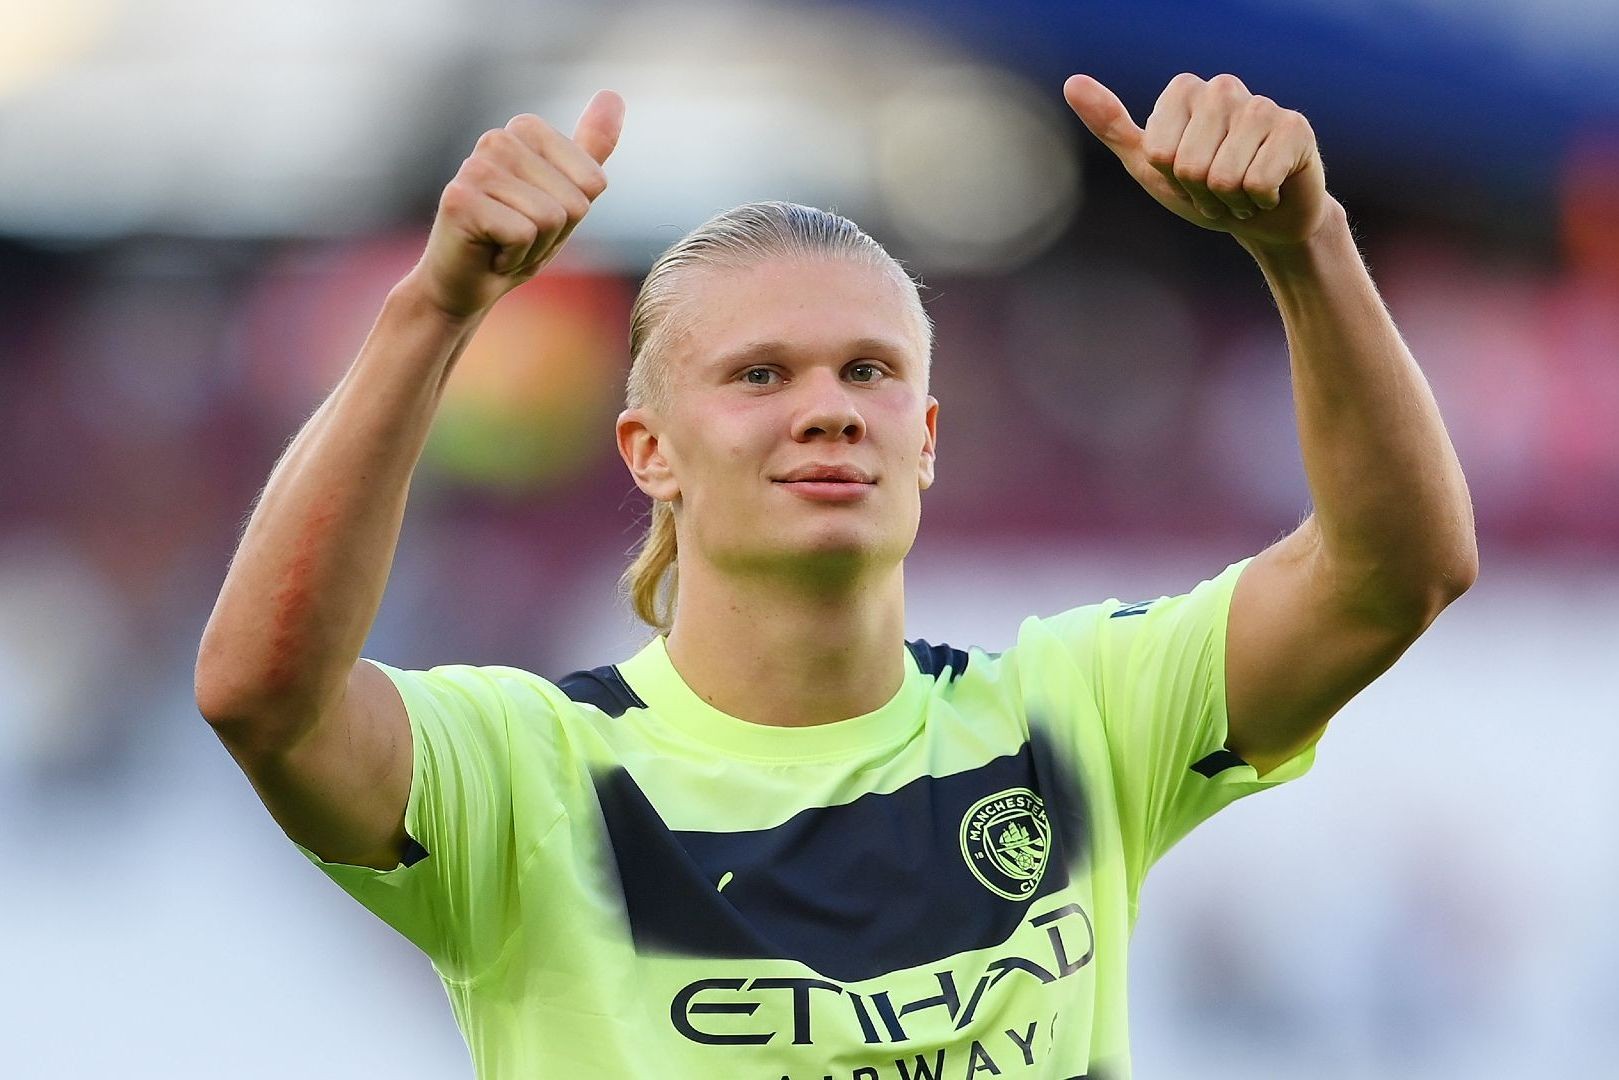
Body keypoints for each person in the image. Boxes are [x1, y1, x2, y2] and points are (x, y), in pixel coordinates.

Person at [194, 72, 1477, 1080]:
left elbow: (1394, 574)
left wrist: (1304, 245)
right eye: (759, 375)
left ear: (925, 439)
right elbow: (265, 699)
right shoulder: (533, 775)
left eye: (869, 371)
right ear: (648, 452)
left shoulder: (1078, 715)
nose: (827, 408)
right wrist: (434, 307)